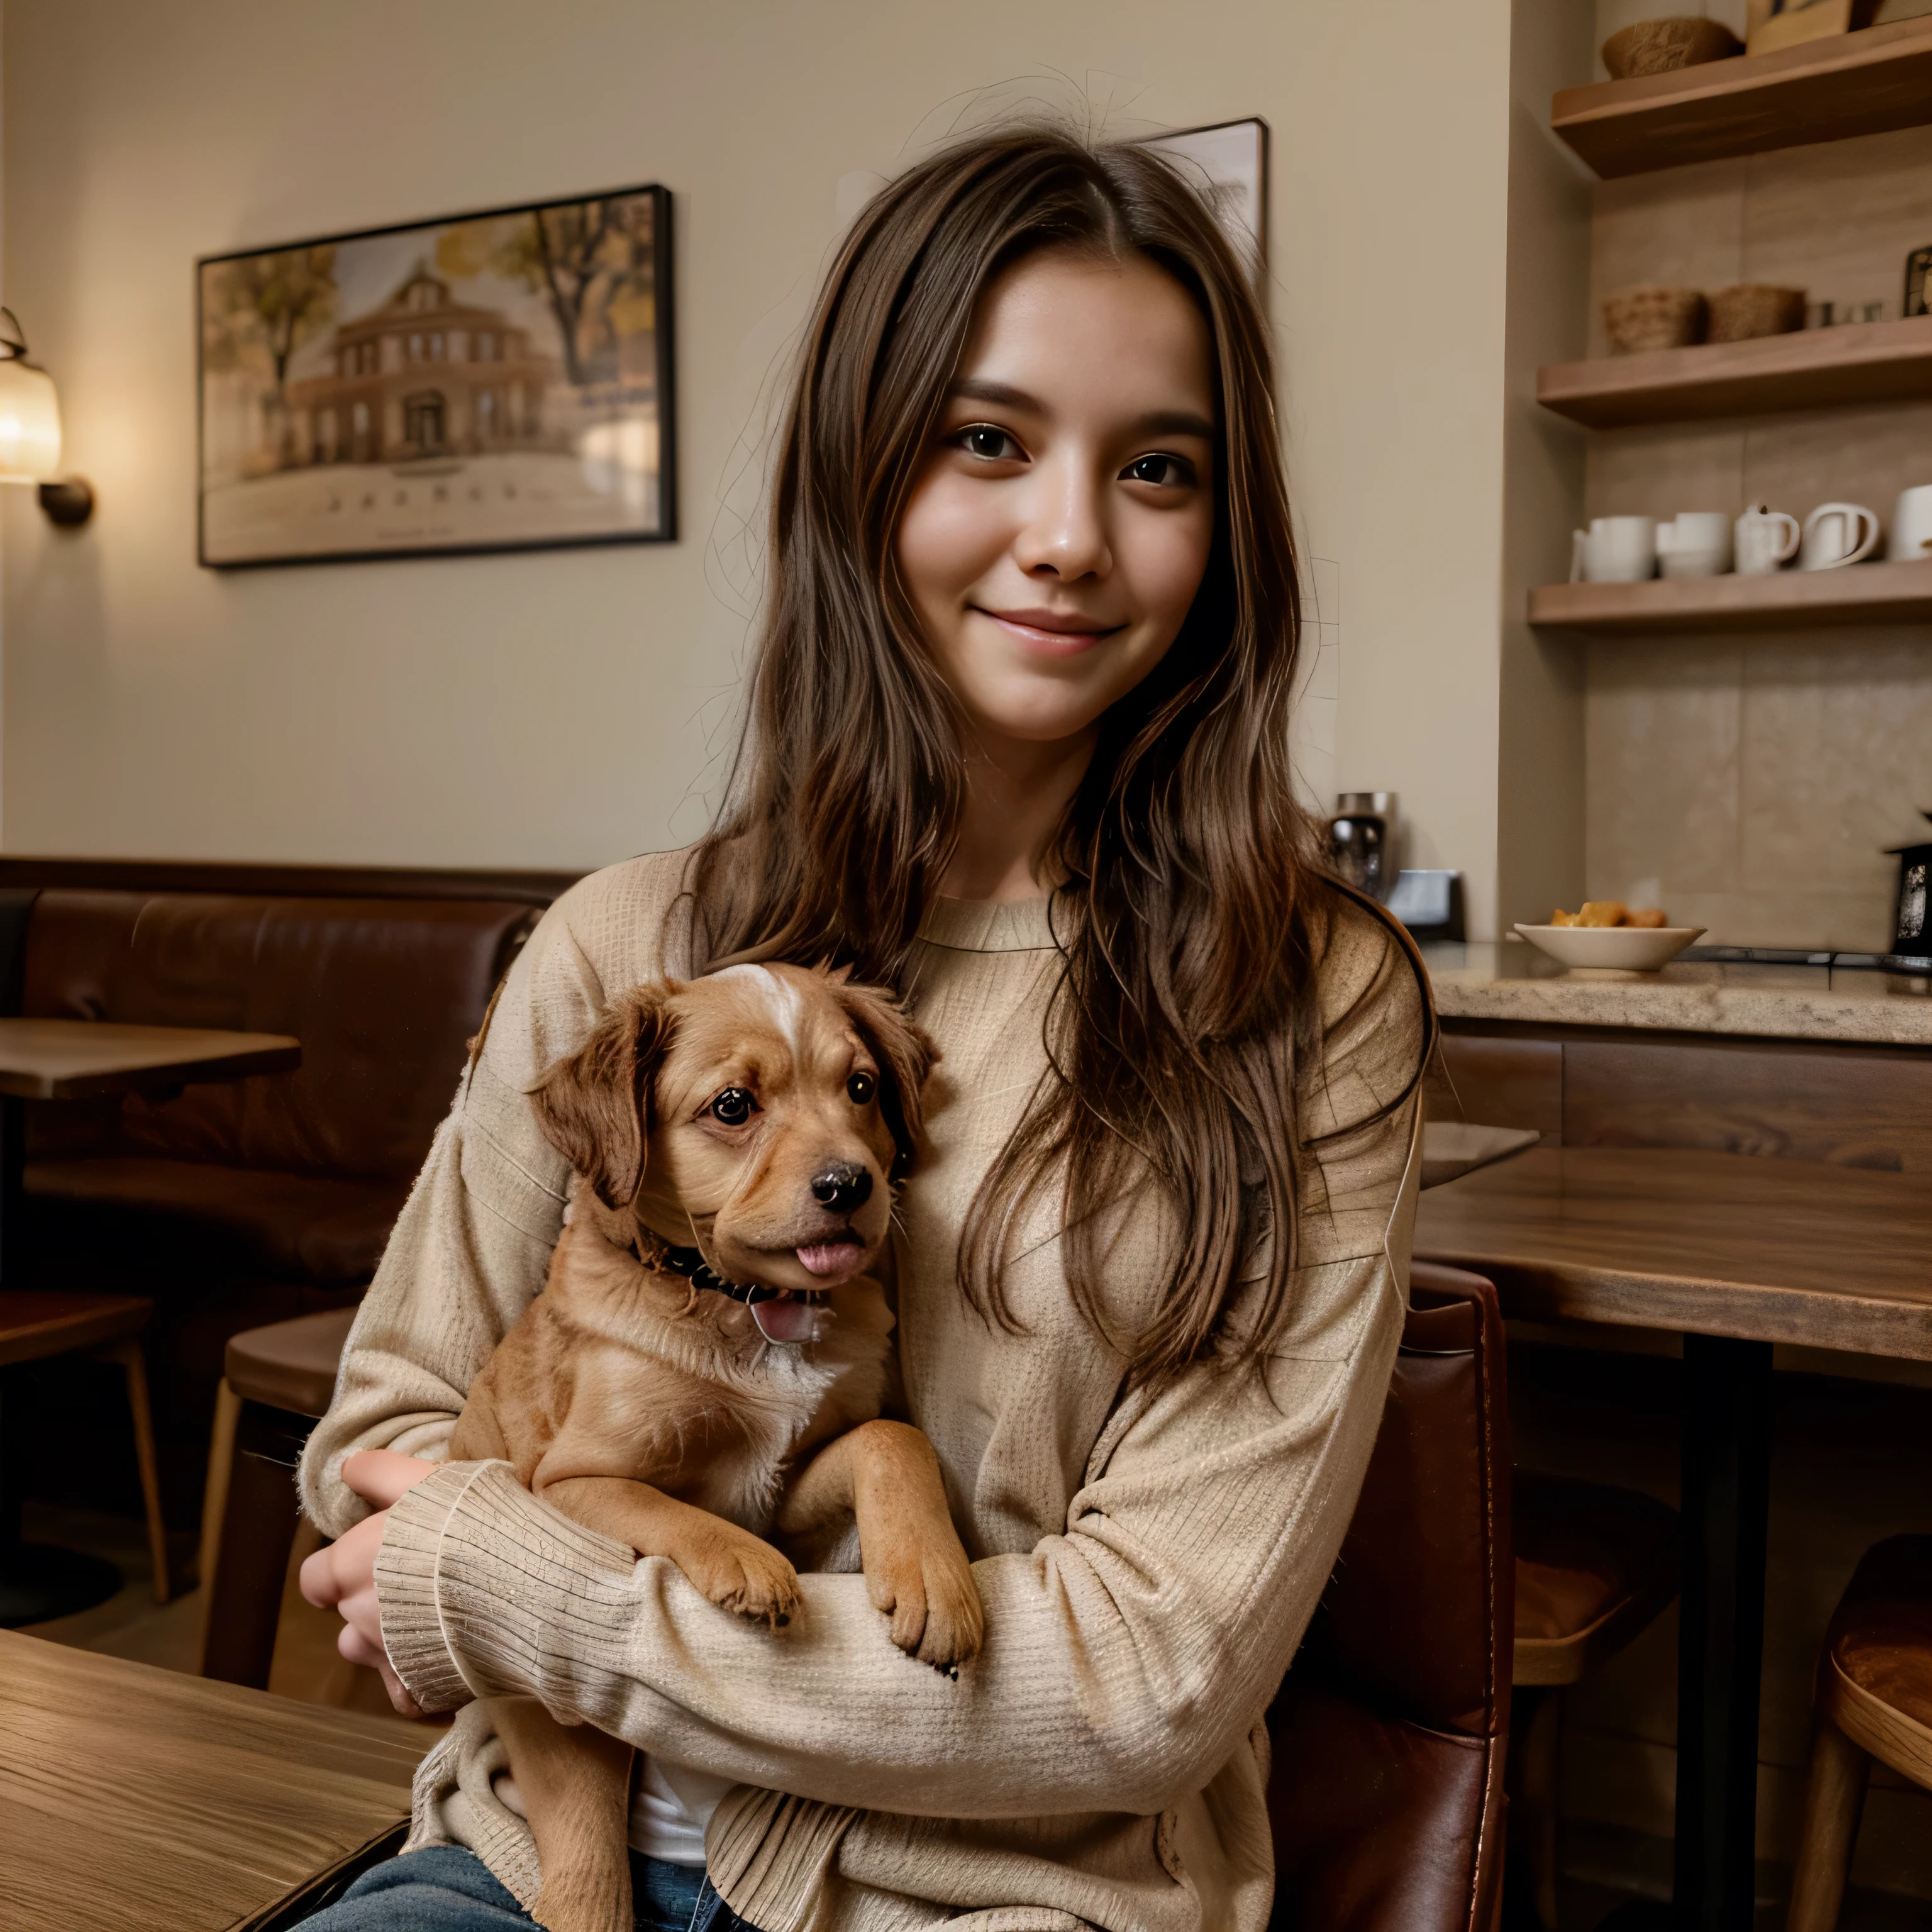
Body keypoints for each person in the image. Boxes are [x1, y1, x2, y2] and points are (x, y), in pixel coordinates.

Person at [296, 126, 1433, 1932]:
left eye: (1158, 467)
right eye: (988, 440)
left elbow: (1151, 1672)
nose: (1067, 538)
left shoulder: (1304, 1001)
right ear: (858, 471)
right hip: (536, 1861)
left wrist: (539, 1591)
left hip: (995, 1902)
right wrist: (484, 1559)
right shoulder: (626, 944)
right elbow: (386, 1434)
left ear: (1227, 534)